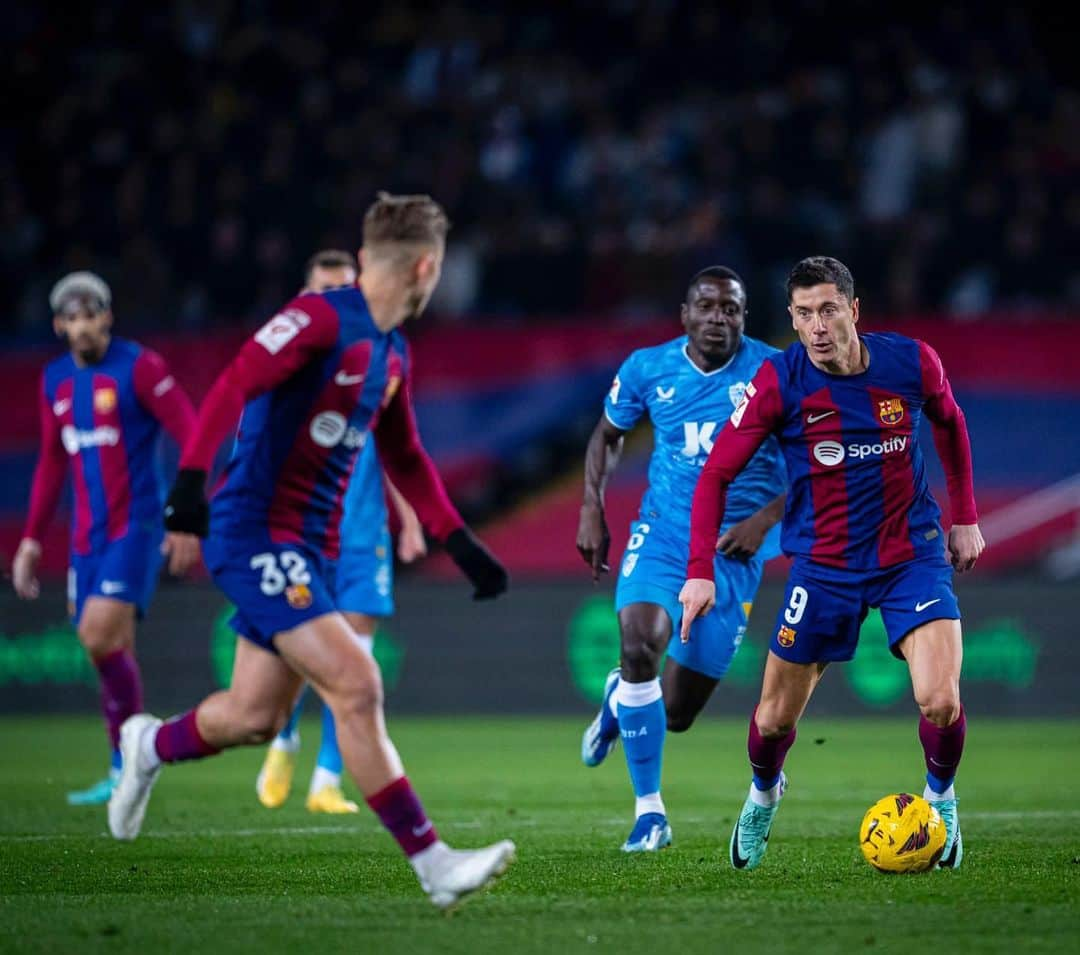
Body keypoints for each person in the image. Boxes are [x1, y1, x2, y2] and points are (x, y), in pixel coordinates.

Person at [107, 193, 515, 909]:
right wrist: (191, 485)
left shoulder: (392, 350)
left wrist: (460, 540)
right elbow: (236, 379)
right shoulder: (323, 321)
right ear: (426, 266)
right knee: (357, 683)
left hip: (314, 551)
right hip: (255, 533)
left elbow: (406, 454)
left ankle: (148, 745)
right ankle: (434, 863)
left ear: (369, 257)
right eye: (441, 267)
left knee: (252, 715)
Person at [679, 256, 984, 871]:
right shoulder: (779, 381)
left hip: (910, 554)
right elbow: (715, 472)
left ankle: (941, 800)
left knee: (941, 700)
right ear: (791, 318)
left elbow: (949, 423)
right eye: (802, 314)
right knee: (771, 720)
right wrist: (698, 571)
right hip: (823, 567)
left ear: (852, 310)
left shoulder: (911, 362)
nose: (815, 326)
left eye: (826, 310)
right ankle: (765, 794)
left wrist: (965, 516)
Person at [576, 266, 786, 851]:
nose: (720, 318)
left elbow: (820, 460)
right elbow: (608, 434)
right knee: (640, 637)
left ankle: (621, 699)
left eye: (732, 309)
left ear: (745, 317)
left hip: (733, 549)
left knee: (675, 711)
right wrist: (591, 507)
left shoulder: (774, 371)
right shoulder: (648, 367)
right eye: (708, 306)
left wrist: (764, 519)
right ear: (685, 314)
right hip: (665, 531)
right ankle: (650, 815)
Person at [11, 271, 198, 804]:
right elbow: (51, 461)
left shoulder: (141, 368)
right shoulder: (55, 381)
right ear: (59, 325)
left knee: (96, 634)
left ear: (107, 316)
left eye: (92, 315)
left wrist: (186, 513)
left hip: (136, 529)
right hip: (85, 539)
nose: (84, 326)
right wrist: (30, 540)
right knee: (107, 648)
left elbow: (191, 431)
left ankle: (137, 753)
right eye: (73, 318)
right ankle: (125, 769)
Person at [255, 249, 428, 815]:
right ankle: (283, 739)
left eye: (342, 288)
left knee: (356, 653)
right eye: (323, 289)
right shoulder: (291, 363)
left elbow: (395, 445)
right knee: (312, 649)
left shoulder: (376, 355)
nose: (335, 299)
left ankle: (326, 780)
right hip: (302, 528)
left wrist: (407, 518)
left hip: (363, 529)